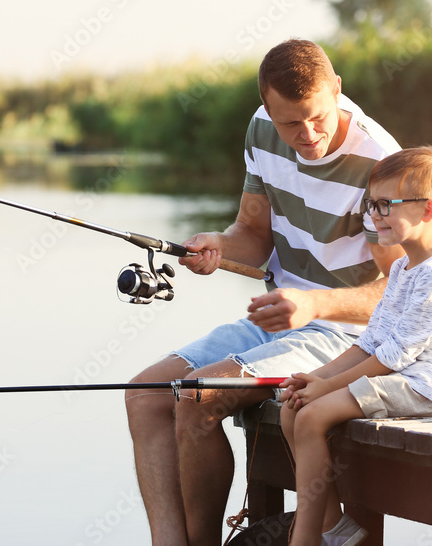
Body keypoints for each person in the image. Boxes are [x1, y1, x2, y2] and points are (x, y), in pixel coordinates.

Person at [125, 39, 405, 546]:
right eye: (290, 124)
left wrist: (315, 303)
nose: (307, 134)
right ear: (267, 109)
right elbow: (252, 237)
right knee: (144, 396)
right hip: (278, 319)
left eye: (317, 117)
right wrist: (217, 245)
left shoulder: (381, 163)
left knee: (197, 395)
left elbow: (401, 292)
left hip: (350, 335)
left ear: (337, 89)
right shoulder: (261, 128)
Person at [278, 146, 432, 546]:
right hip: (402, 375)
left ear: (427, 210)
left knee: (310, 417)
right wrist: (317, 377)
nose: (373, 216)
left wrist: (327, 388)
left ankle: (305, 538)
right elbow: (373, 340)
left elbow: (396, 355)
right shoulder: (400, 267)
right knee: (293, 411)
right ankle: (335, 530)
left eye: (384, 205)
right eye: (370, 205)